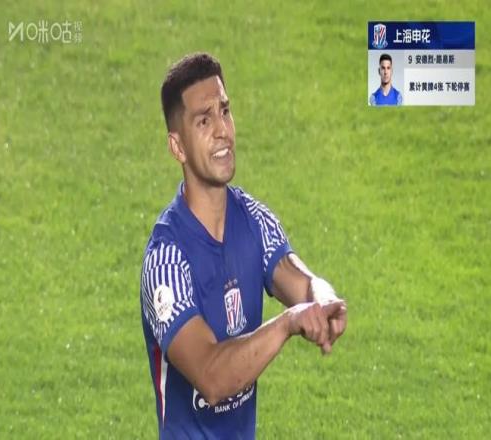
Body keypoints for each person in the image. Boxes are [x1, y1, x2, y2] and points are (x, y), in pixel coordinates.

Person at [140, 52, 348, 439]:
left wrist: (324, 300)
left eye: (225, 111)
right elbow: (211, 378)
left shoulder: (253, 219)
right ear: (177, 147)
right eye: (204, 120)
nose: (223, 130)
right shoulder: (166, 259)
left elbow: (301, 281)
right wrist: (288, 322)